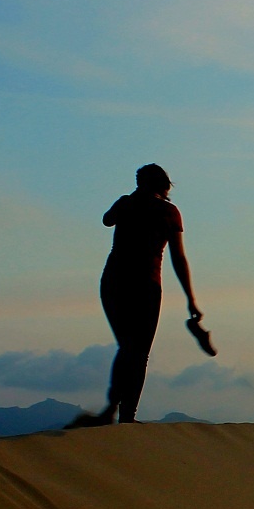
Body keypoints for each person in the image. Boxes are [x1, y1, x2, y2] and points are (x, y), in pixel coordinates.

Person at [96, 163, 203, 424]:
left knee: (127, 347)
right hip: (146, 286)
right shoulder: (168, 211)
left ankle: (115, 406)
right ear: (165, 186)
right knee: (138, 352)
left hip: (113, 282)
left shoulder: (126, 204)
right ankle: (126, 415)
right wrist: (190, 298)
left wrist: (130, 199)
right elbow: (179, 258)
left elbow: (107, 219)